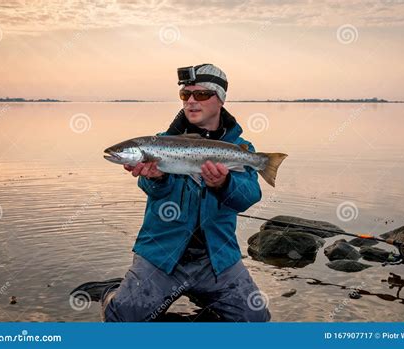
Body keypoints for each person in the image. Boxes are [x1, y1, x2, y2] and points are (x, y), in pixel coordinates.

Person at [74, 64, 271, 322]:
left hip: (217, 258)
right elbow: (152, 191)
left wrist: (223, 184)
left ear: (220, 99)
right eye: (184, 95)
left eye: (200, 95)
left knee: (256, 319)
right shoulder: (159, 142)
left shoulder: (240, 149)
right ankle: (113, 292)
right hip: (161, 255)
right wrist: (158, 178)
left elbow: (248, 197)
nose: (190, 101)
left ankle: (204, 301)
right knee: (121, 318)